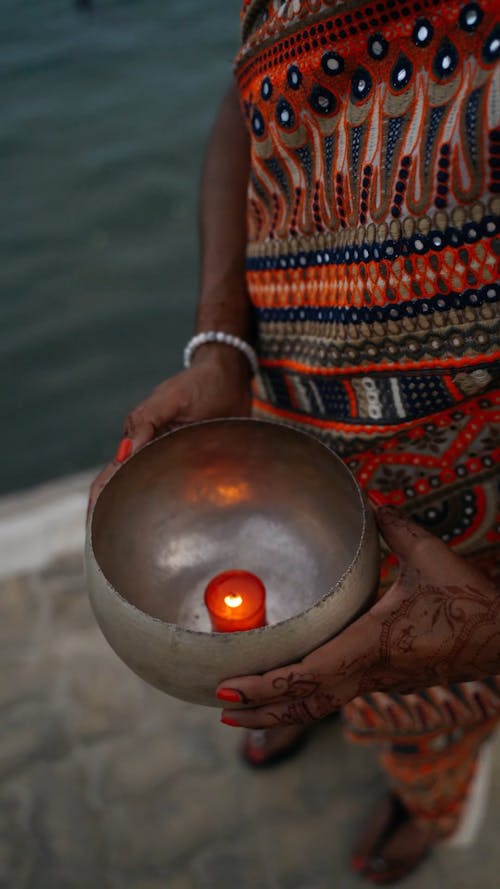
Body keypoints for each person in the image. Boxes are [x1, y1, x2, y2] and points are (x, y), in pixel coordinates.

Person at [89, 0, 500, 882]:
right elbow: (245, 107)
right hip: (278, 407)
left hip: (472, 498)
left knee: (435, 684)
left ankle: (425, 792)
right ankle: (297, 683)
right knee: (285, 628)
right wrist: (222, 346)